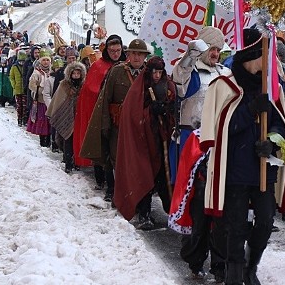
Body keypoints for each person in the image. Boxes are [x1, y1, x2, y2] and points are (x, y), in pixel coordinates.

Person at [200, 27, 285, 285]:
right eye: (264, 55)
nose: (268, 61)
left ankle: (251, 266)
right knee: (235, 225)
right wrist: (249, 110)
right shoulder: (224, 86)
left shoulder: (271, 88)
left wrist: (271, 143)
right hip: (235, 169)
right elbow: (221, 129)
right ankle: (235, 274)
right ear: (251, 56)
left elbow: (281, 124)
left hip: (263, 169)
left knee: (265, 221)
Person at [169, 26, 228, 281]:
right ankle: (195, 258)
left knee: (220, 206)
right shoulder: (192, 73)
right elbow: (179, 81)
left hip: (221, 146)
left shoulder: (226, 74)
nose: (214, 54)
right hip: (194, 146)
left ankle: (220, 262)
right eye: (211, 49)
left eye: (217, 49)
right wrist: (190, 54)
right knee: (197, 204)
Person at [114, 56, 177, 231]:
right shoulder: (140, 88)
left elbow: (175, 105)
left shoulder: (169, 85)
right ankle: (144, 214)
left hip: (163, 138)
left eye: (160, 72)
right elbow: (133, 113)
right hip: (145, 139)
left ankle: (172, 213)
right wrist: (150, 111)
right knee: (145, 174)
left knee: (165, 176)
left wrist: (167, 110)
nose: (157, 76)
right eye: (154, 72)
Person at [92, 38, 150, 202]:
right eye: (133, 54)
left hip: (140, 127)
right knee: (114, 158)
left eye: (140, 54)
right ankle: (112, 190)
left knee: (137, 163)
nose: (137, 58)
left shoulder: (149, 74)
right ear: (128, 55)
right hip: (117, 124)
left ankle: (135, 195)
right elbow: (105, 99)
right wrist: (105, 124)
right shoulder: (117, 72)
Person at [79, 34, 125, 186]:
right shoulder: (98, 66)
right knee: (102, 146)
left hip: (121, 115)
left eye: (118, 50)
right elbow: (90, 89)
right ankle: (102, 180)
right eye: (112, 50)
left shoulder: (127, 65)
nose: (115, 54)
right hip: (101, 112)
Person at [46, 60, 87, 173]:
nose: (76, 76)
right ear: (70, 74)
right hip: (67, 117)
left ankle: (77, 161)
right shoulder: (63, 85)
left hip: (78, 117)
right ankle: (68, 162)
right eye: (74, 74)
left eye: (78, 74)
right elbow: (58, 100)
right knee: (67, 139)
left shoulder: (84, 85)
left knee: (77, 141)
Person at [28, 49, 55, 147]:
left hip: (51, 101)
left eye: (47, 60)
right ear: (40, 61)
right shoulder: (37, 72)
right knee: (42, 122)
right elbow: (31, 85)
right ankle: (43, 142)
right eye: (44, 60)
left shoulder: (52, 71)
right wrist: (40, 90)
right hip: (41, 101)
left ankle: (49, 141)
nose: (46, 62)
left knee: (49, 123)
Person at [9, 50, 30, 126]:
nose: (22, 62)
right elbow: (11, 77)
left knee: (25, 106)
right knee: (19, 105)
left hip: (24, 89)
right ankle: (19, 119)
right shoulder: (14, 67)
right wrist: (14, 85)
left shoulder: (26, 66)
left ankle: (24, 119)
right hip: (17, 89)